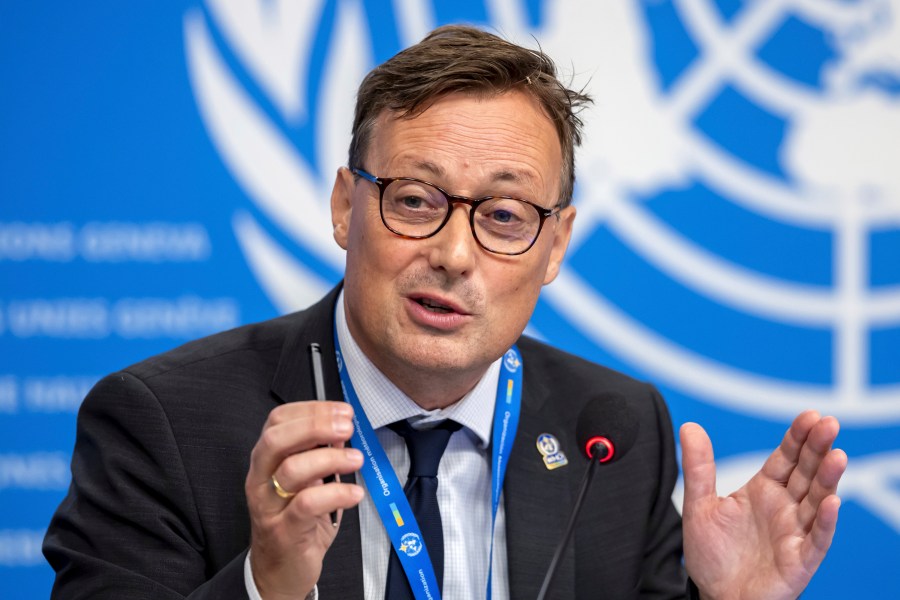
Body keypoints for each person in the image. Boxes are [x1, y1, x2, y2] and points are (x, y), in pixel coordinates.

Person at [44, 25, 847, 600]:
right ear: (344, 206)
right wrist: (267, 587)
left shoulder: (612, 433)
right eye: (417, 200)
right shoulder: (163, 424)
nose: (454, 256)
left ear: (556, 244)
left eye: (503, 216)